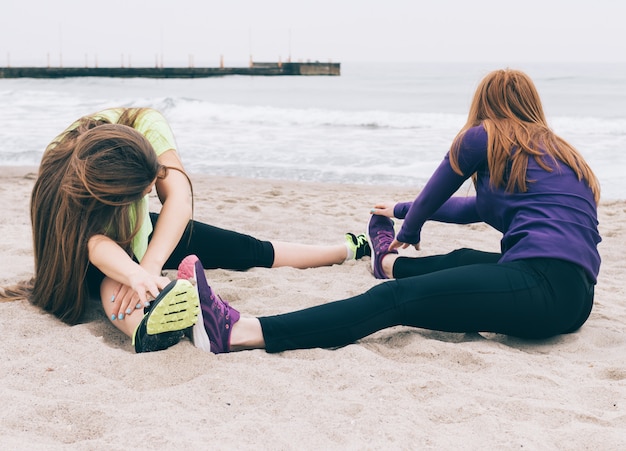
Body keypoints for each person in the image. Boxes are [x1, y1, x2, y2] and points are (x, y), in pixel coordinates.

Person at [177, 68, 602, 355]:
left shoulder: (482, 136)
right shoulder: (561, 156)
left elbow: (437, 192)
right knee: (464, 261)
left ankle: (240, 331)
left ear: (484, 105)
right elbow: (479, 208)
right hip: (577, 297)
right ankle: (389, 263)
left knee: (393, 302)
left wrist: (410, 226)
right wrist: (398, 209)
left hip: (540, 289)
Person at [0, 107, 370, 352]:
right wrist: (136, 272)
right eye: (142, 191)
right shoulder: (65, 174)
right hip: (83, 249)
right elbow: (93, 243)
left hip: (147, 232)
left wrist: (150, 264)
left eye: (152, 182)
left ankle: (343, 249)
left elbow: (178, 198)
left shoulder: (146, 125)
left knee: (246, 249)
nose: (151, 192)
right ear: (108, 194)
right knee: (112, 282)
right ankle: (146, 331)